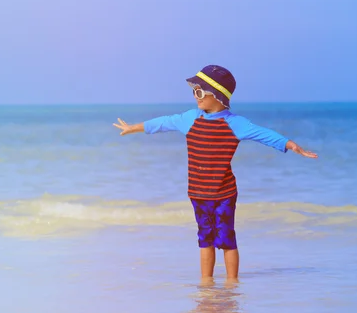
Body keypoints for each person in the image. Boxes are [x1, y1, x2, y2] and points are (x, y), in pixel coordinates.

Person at [113, 65, 318, 279]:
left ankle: (232, 284)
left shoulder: (235, 123)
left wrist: (290, 144)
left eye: (200, 92)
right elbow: (164, 122)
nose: (196, 97)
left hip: (224, 193)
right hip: (197, 193)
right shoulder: (191, 118)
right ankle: (206, 283)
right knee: (205, 239)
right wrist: (133, 127)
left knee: (227, 239)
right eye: (194, 92)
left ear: (218, 96)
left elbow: (263, 134)